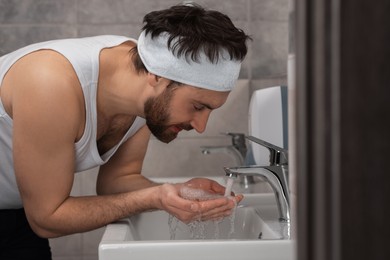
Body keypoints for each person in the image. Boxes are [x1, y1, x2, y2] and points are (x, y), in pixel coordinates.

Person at [0, 3, 251, 259]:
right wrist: (155, 198)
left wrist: (176, 193)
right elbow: (46, 219)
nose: (200, 127)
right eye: (198, 106)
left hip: (19, 216)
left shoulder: (143, 90)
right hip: (31, 215)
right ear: (157, 77)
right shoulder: (50, 83)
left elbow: (116, 182)